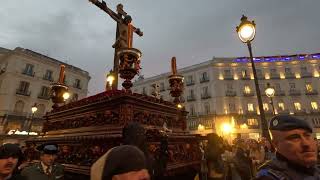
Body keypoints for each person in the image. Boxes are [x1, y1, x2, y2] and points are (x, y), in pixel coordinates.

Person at [254, 115, 320, 180]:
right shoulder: (268, 176)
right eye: (294, 138)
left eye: (307, 136)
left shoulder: (314, 169)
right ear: (275, 144)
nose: (306, 143)